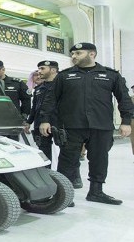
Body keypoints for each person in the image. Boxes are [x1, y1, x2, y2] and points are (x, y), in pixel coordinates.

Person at [39, 42, 134, 205]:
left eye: (78, 53)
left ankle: (96, 192)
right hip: (71, 125)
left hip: (101, 125)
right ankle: (64, 195)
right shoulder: (64, 75)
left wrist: (126, 122)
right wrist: (45, 120)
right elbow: (50, 99)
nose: (74, 56)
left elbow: (124, 99)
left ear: (92, 54)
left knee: (100, 159)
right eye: (73, 54)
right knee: (68, 160)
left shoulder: (111, 75)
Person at [24, 61, 59, 168]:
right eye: (38, 68)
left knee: (65, 152)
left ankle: (68, 179)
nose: (39, 71)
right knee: (43, 152)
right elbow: (34, 108)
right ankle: (47, 175)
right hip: (41, 123)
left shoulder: (62, 85)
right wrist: (29, 122)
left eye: (42, 68)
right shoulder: (39, 88)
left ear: (53, 70)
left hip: (59, 122)